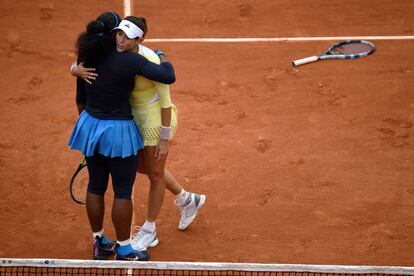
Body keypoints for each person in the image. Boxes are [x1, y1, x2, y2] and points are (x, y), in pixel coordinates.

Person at [71, 16, 206, 252]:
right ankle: (187, 199)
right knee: (142, 166)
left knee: (154, 173)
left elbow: (166, 102)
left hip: (154, 120)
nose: (121, 41)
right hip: (131, 119)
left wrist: (164, 139)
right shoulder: (111, 51)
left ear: (140, 39)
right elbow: (84, 61)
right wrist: (74, 69)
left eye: (128, 37)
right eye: (119, 35)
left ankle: (149, 230)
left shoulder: (147, 59)